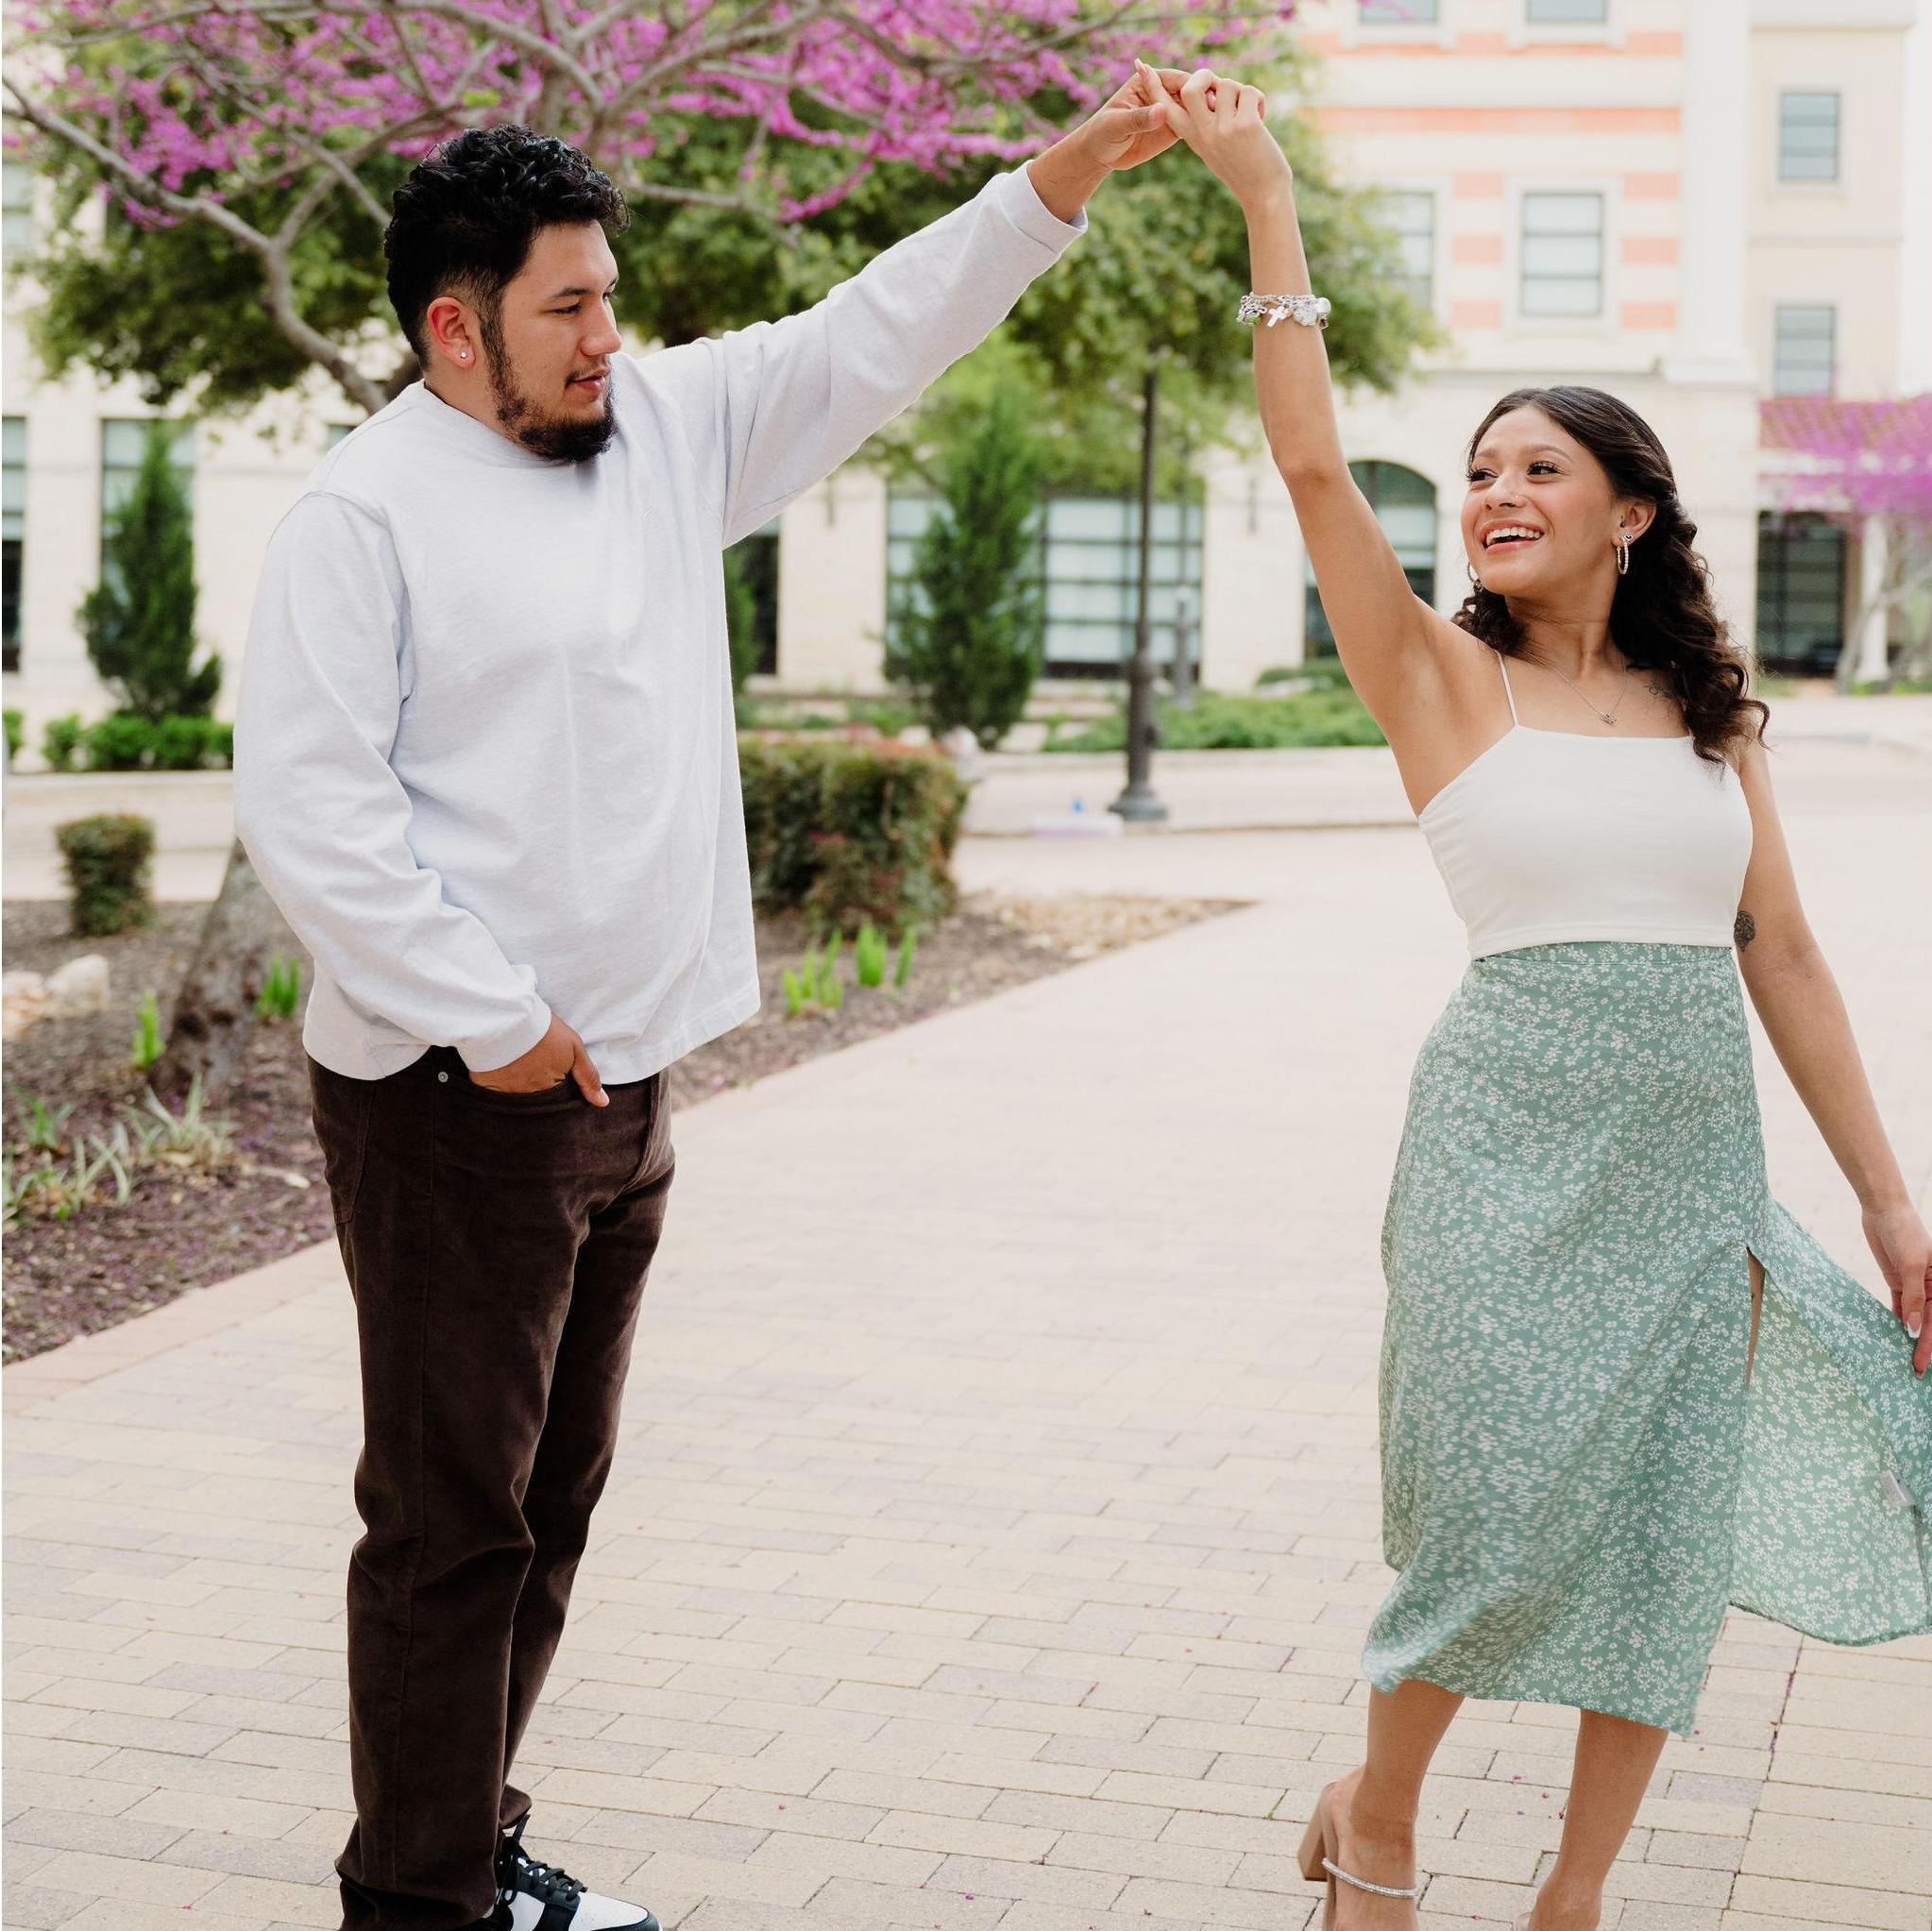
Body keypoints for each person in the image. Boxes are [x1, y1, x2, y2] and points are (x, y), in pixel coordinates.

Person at [232, 78, 1184, 1931]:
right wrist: (499, 1021)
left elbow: (869, 333)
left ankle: (460, 1852)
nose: (609, 334)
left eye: (611, 294)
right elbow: (315, 815)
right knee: (450, 1526)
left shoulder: (657, 429)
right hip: (458, 1102)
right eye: (567, 307)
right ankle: (416, 1906)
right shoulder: (362, 517)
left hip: (620, 1093)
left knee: (548, 1511)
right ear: (455, 328)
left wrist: (1056, 180)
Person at [1147, 62, 1932, 1931]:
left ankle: (1572, 1896)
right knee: (1483, 1520)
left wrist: (1889, 1206)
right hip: (1499, 1155)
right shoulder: (1435, 673)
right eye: (1482, 470)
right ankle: (1381, 1825)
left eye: (1537, 470)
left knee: (1657, 1537)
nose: (1495, 493)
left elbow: (1784, 957)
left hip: (1688, 1176)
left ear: (1629, 513)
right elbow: (1315, 469)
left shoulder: (1710, 718)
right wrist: (1268, 206)